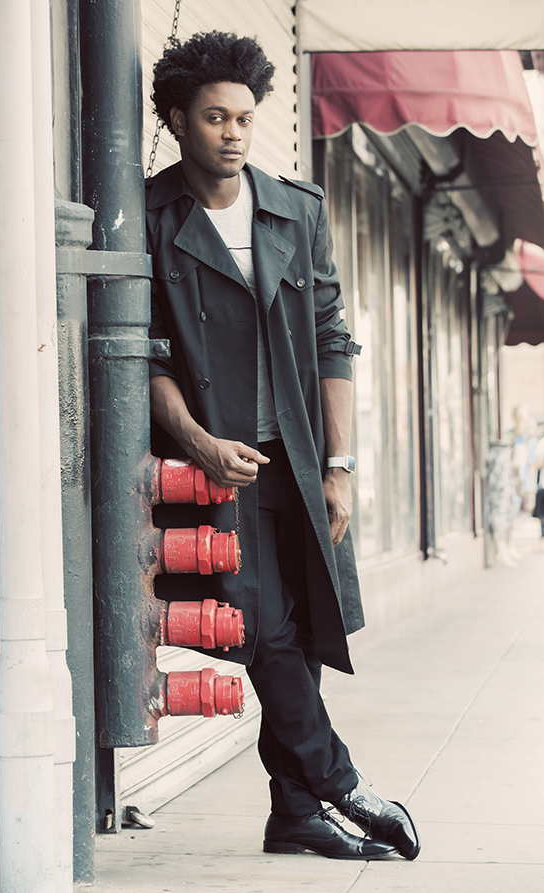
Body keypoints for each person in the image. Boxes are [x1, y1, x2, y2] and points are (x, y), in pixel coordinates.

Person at [147, 31, 420, 862]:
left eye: (244, 117)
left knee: (294, 628)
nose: (233, 132)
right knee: (255, 622)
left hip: (295, 460)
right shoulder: (152, 215)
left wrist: (338, 466)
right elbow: (144, 353)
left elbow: (333, 337)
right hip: (208, 469)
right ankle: (338, 780)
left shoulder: (296, 208)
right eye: (214, 117)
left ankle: (293, 815)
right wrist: (197, 440)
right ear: (175, 119)